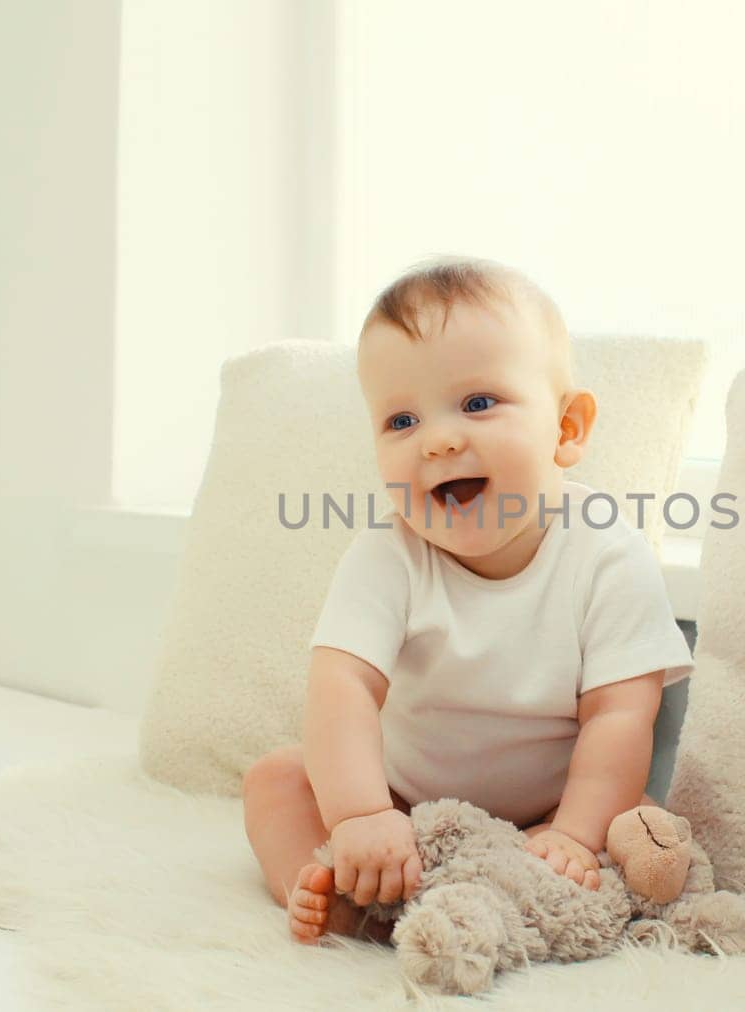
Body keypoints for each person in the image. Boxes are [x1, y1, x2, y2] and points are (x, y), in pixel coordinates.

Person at [241, 255, 694, 943]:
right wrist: (359, 814)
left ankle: (558, 853)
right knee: (275, 780)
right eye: (400, 421)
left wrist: (573, 832)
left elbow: (621, 714)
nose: (439, 439)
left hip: (549, 806)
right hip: (402, 799)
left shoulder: (607, 553)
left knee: (625, 817)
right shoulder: (386, 554)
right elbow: (343, 687)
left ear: (567, 429)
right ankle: (327, 883)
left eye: (478, 403)